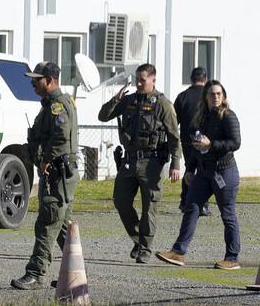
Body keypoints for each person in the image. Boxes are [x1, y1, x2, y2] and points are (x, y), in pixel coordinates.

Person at [98, 63, 181, 264]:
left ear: (153, 80)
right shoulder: (128, 100)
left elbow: (174, 136)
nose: (138, 83)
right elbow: (102, 116)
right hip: (129, 160)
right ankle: (138, 239)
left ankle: (145, 248)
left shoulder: (162, 104)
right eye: (137, 79)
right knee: (120, 200)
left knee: (149, 206)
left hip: (152, 163)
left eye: (142, 79)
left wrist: (175, 164)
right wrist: (115, 99)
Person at [156, 80, 241, 270]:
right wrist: (189, 169)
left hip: (224, 172)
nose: (216, 97)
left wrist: (211, 144)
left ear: (223, 96)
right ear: (206, 97)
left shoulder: (228, 116)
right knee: (191, 207)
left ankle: (232, 257)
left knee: (227, 215)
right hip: (204, 173)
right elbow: (197, 146)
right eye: (212, 94)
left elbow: (235, 143)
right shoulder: (202, 117)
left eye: (219, 94)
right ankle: (178, 252)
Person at [11, 61, 78, 290]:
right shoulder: (51, 103)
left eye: (36, 79)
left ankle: (35, 274)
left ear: (49, 80)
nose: (32, 83)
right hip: (58, 172)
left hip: (57, 173)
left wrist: (47, 159)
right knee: (62, 228)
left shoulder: (57, 105)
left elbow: (60, 136)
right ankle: (75, 275)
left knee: (47, 223)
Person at [174, 67, 211, 216]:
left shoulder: (182, 96)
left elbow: (174, 121)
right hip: (205, 141)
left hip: (187, 141)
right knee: (204, 171)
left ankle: (185, 202)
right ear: (205, 79)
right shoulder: (209, 96)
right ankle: (202, 205)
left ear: (191, 79)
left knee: (189, 169)